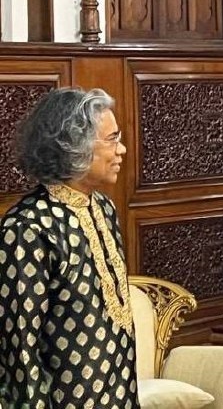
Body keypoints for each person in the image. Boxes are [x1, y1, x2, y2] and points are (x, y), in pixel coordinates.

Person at [0, 88, 138, 409]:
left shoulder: (103, 208)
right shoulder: (27, 227)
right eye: (112, 140)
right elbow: (19, 347)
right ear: (74, 144)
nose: (122, 149)